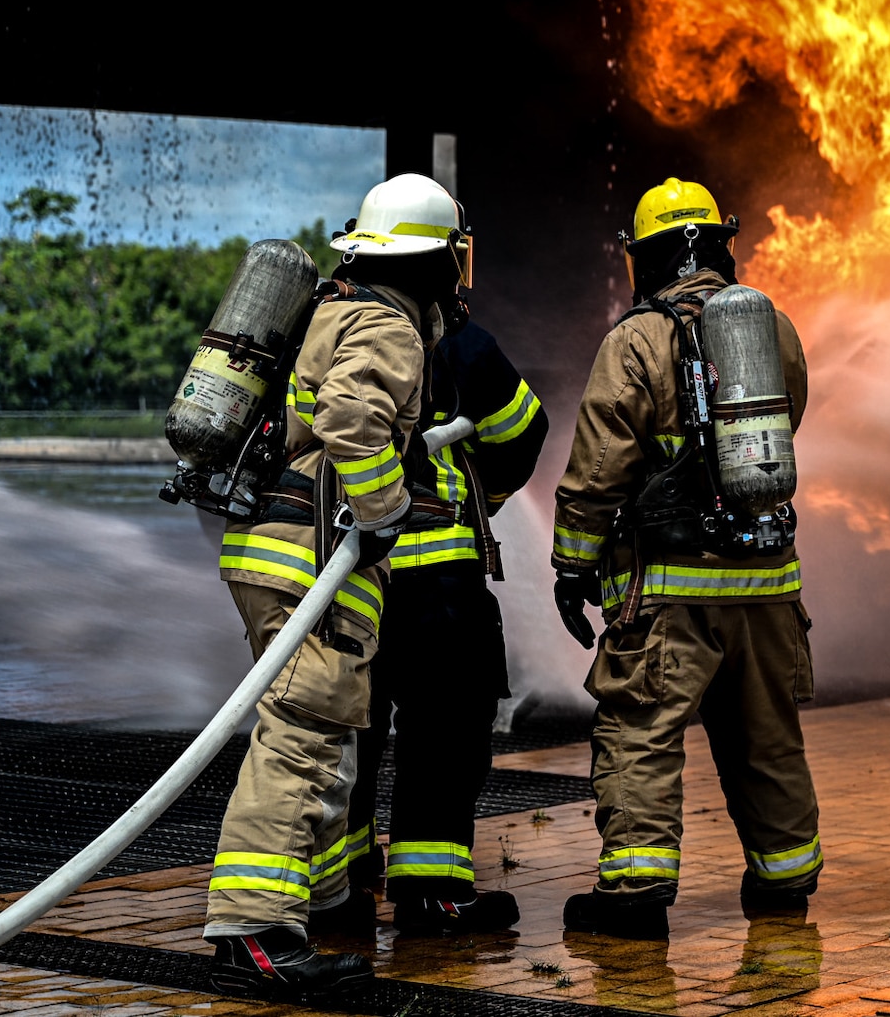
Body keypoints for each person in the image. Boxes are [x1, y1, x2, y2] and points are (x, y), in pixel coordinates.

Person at [205, 174, 467, 1000]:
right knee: (299, 737)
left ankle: (314, 904)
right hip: (312, 561)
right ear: (433, 262)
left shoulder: (328, 308)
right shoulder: (390, 326)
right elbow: (353, 416)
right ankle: (255, 931)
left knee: (325, 737)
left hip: (266, 552)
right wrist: (387, 509)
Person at [551, 177, 821, 940]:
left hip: (669, 593)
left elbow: (599, 468)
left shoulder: (636, 341)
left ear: (646, 259)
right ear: (720, 246)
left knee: (641, 726)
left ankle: (635, 891)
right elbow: (785, 423)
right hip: (769, 585)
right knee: (766, 731)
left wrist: (572, 568)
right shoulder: (777, 329)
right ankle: (786, 877)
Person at [337, 312, 548, 935]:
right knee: (444, 735)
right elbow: (521, 437)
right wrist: (477, 494)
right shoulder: (463, 343)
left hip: (344, 581)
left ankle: (340, 887)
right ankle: (431, 892)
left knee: (346, 732)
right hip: (437, 584)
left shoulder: (324, 328)